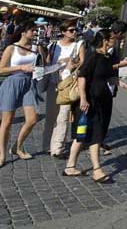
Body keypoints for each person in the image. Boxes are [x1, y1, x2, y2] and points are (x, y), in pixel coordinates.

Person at [63, 29, 127, 182]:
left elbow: (109, 78)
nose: (115, 40)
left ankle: (70, 167)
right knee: (95, 135)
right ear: (105, 40)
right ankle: (97, 170)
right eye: (112, 38)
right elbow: (82, 77)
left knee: (83, 136)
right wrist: (83, 99)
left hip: (102, 102)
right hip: (89, 103)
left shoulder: (106, 57)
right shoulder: (92, 56)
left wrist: (125, 86)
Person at [0, 20, 46, 168]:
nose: (35, 33)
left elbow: (44, 64)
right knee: (7, 122)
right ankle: (2, 156)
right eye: (32, 30)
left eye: (36, 30)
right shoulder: (11, 48)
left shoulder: (37, 47)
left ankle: (17, 147)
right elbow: (1, 70)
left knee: (32, 119)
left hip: (30, 84)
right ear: (23, 32)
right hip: (13, 83)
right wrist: (21, 67)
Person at [47, 21, 85, 158]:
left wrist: (72, 63)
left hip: (67, 83)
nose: (74, 32)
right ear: (63, 32)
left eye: (75, 30)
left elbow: (83, 62)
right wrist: (59, 62)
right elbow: (48, 63)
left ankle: (57, 148)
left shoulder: (78, 45)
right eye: (71, 30)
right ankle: (48, 145)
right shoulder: (53, 45)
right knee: (51, 115)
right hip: (54, 82)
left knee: (63, 116)